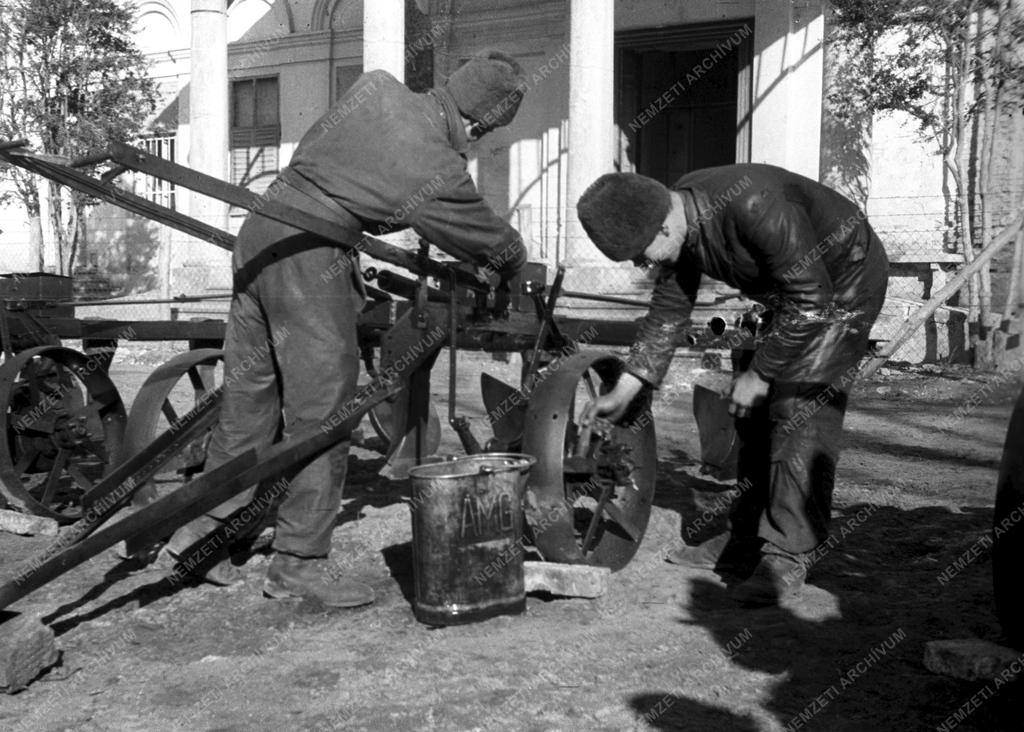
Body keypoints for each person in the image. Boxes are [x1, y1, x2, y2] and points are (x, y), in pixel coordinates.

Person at [157, 49, 528, 607]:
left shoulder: (377, 87)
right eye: (480, 133)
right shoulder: (434, 161)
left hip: (259, 235)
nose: (473, 143)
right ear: (477, 123)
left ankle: (201, 535)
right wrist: (514, 261)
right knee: (325, 410)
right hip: (309, 257)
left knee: (249, 400)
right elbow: (483, 236)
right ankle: (298, 565)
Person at [577, 165, 888, 606]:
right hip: (793, 294)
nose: (640, 265)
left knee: (797, 407)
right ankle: (745, 539)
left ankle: (786, 552)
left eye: (641, 255)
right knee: (752, 413)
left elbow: (812, 299)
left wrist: (762, 374)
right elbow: (668, 314)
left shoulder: (754, 206)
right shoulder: (676, 223)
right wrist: (627, 388)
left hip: (841, 286)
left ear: (664, 223)